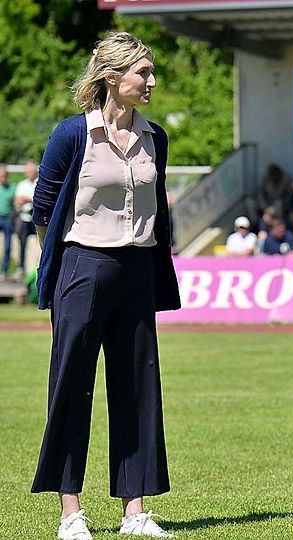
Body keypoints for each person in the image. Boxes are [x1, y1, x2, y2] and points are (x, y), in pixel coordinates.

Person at [30, 31, 181, 540]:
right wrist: (64, 257)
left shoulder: (155, 137)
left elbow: (158, 204)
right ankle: (70, 513)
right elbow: (44, 207)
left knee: (138, 389)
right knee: (71, 386)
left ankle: (134, 512)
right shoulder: (72, 134)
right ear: (112, 78)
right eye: (143, 72)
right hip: (82, 268)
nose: (151, 81)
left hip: (137, 271)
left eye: (152, 71)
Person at [14, 161, 39, 280]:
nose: (29, 173)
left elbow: (40, 200)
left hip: (37, 218)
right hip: (24, 218)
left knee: (40, 244)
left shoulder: (39, 182)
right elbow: (18, 201)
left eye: (31, 171)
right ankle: (21, 268)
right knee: (22, 244)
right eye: (28, 171)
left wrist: (27, 200)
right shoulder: (21, 185)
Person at [0, 164, 15, 279]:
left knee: (8, 245)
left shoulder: (12, 187)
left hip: (7, 217)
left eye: (4, 176)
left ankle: (4, 270)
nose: (2, 178)